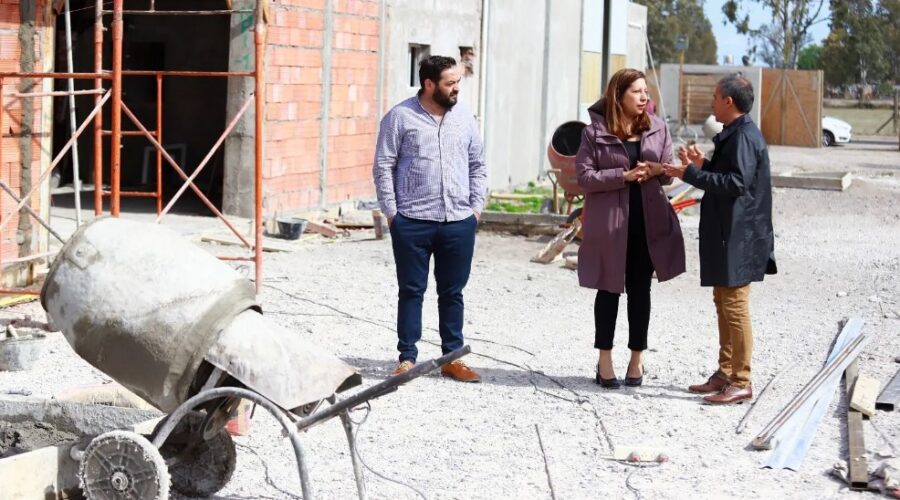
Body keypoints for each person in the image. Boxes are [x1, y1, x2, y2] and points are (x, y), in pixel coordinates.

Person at [373, 55, 487, 383]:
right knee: (411, 290)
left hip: (458, 220)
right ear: (429, 84)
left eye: (458, 83)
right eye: (450, 84)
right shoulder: (400, 117)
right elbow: (383, 166)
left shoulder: (464, 118)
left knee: (453, 292)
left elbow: (478, 164)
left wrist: (475, 209)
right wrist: (393, 215)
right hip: (412, 220)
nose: (456, 90)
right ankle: (407, 358)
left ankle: (452, 358)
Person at [663, 75, 777, 405]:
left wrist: (690, 174)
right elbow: (728, 175)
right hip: (730, 233)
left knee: (735, 307)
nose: (711, 102)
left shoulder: (744, 136)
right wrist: (703, 165)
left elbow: (736, 183)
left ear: (729, 101)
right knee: (723, 302)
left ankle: (741, 380)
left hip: (741, 236)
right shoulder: (736, 134)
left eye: (715, 97)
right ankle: (725, 373)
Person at [575, 68, 686, 389]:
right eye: (636, 92)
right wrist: (620, 177)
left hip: (647, 223)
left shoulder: (658, 128)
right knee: (608, 290)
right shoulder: (593, 133)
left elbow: (666, 174)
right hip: (610, 226)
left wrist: (658, 169)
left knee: (641, 292)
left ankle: (637, 360)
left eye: (645, 92)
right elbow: (584, 177)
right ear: (618, 95)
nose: (644, 97)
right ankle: (604, 361)